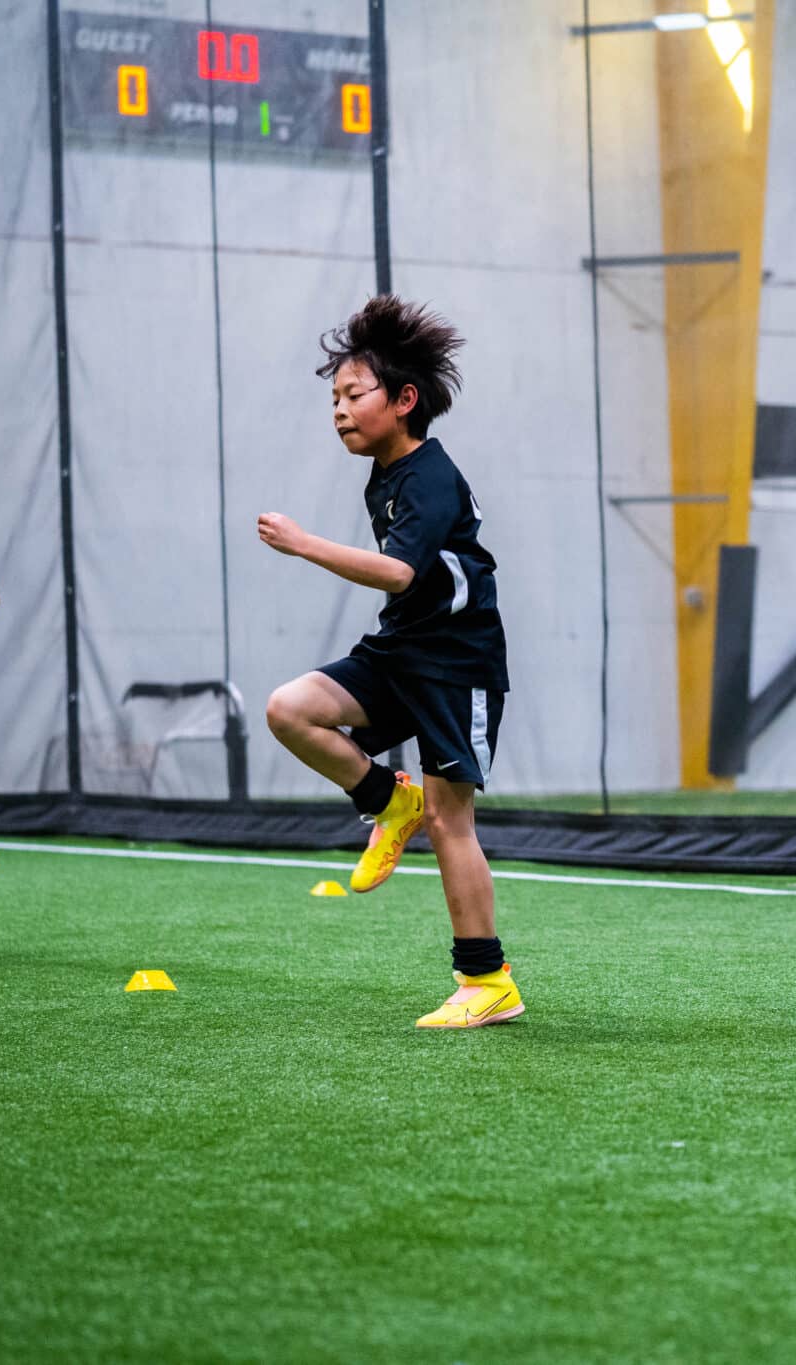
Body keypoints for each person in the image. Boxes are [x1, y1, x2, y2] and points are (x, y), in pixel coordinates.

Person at [259, 295, 518, 1030]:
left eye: (353, 394)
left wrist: (304, 544)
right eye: (334, 399)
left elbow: (401, 572)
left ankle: (487, 981)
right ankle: (386, 799)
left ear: (404, 400)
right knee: (291, 709)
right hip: (401, 648)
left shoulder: (429, 474)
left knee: (451, 820)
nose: (339, 410)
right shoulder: (385, 473)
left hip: (456, 663)